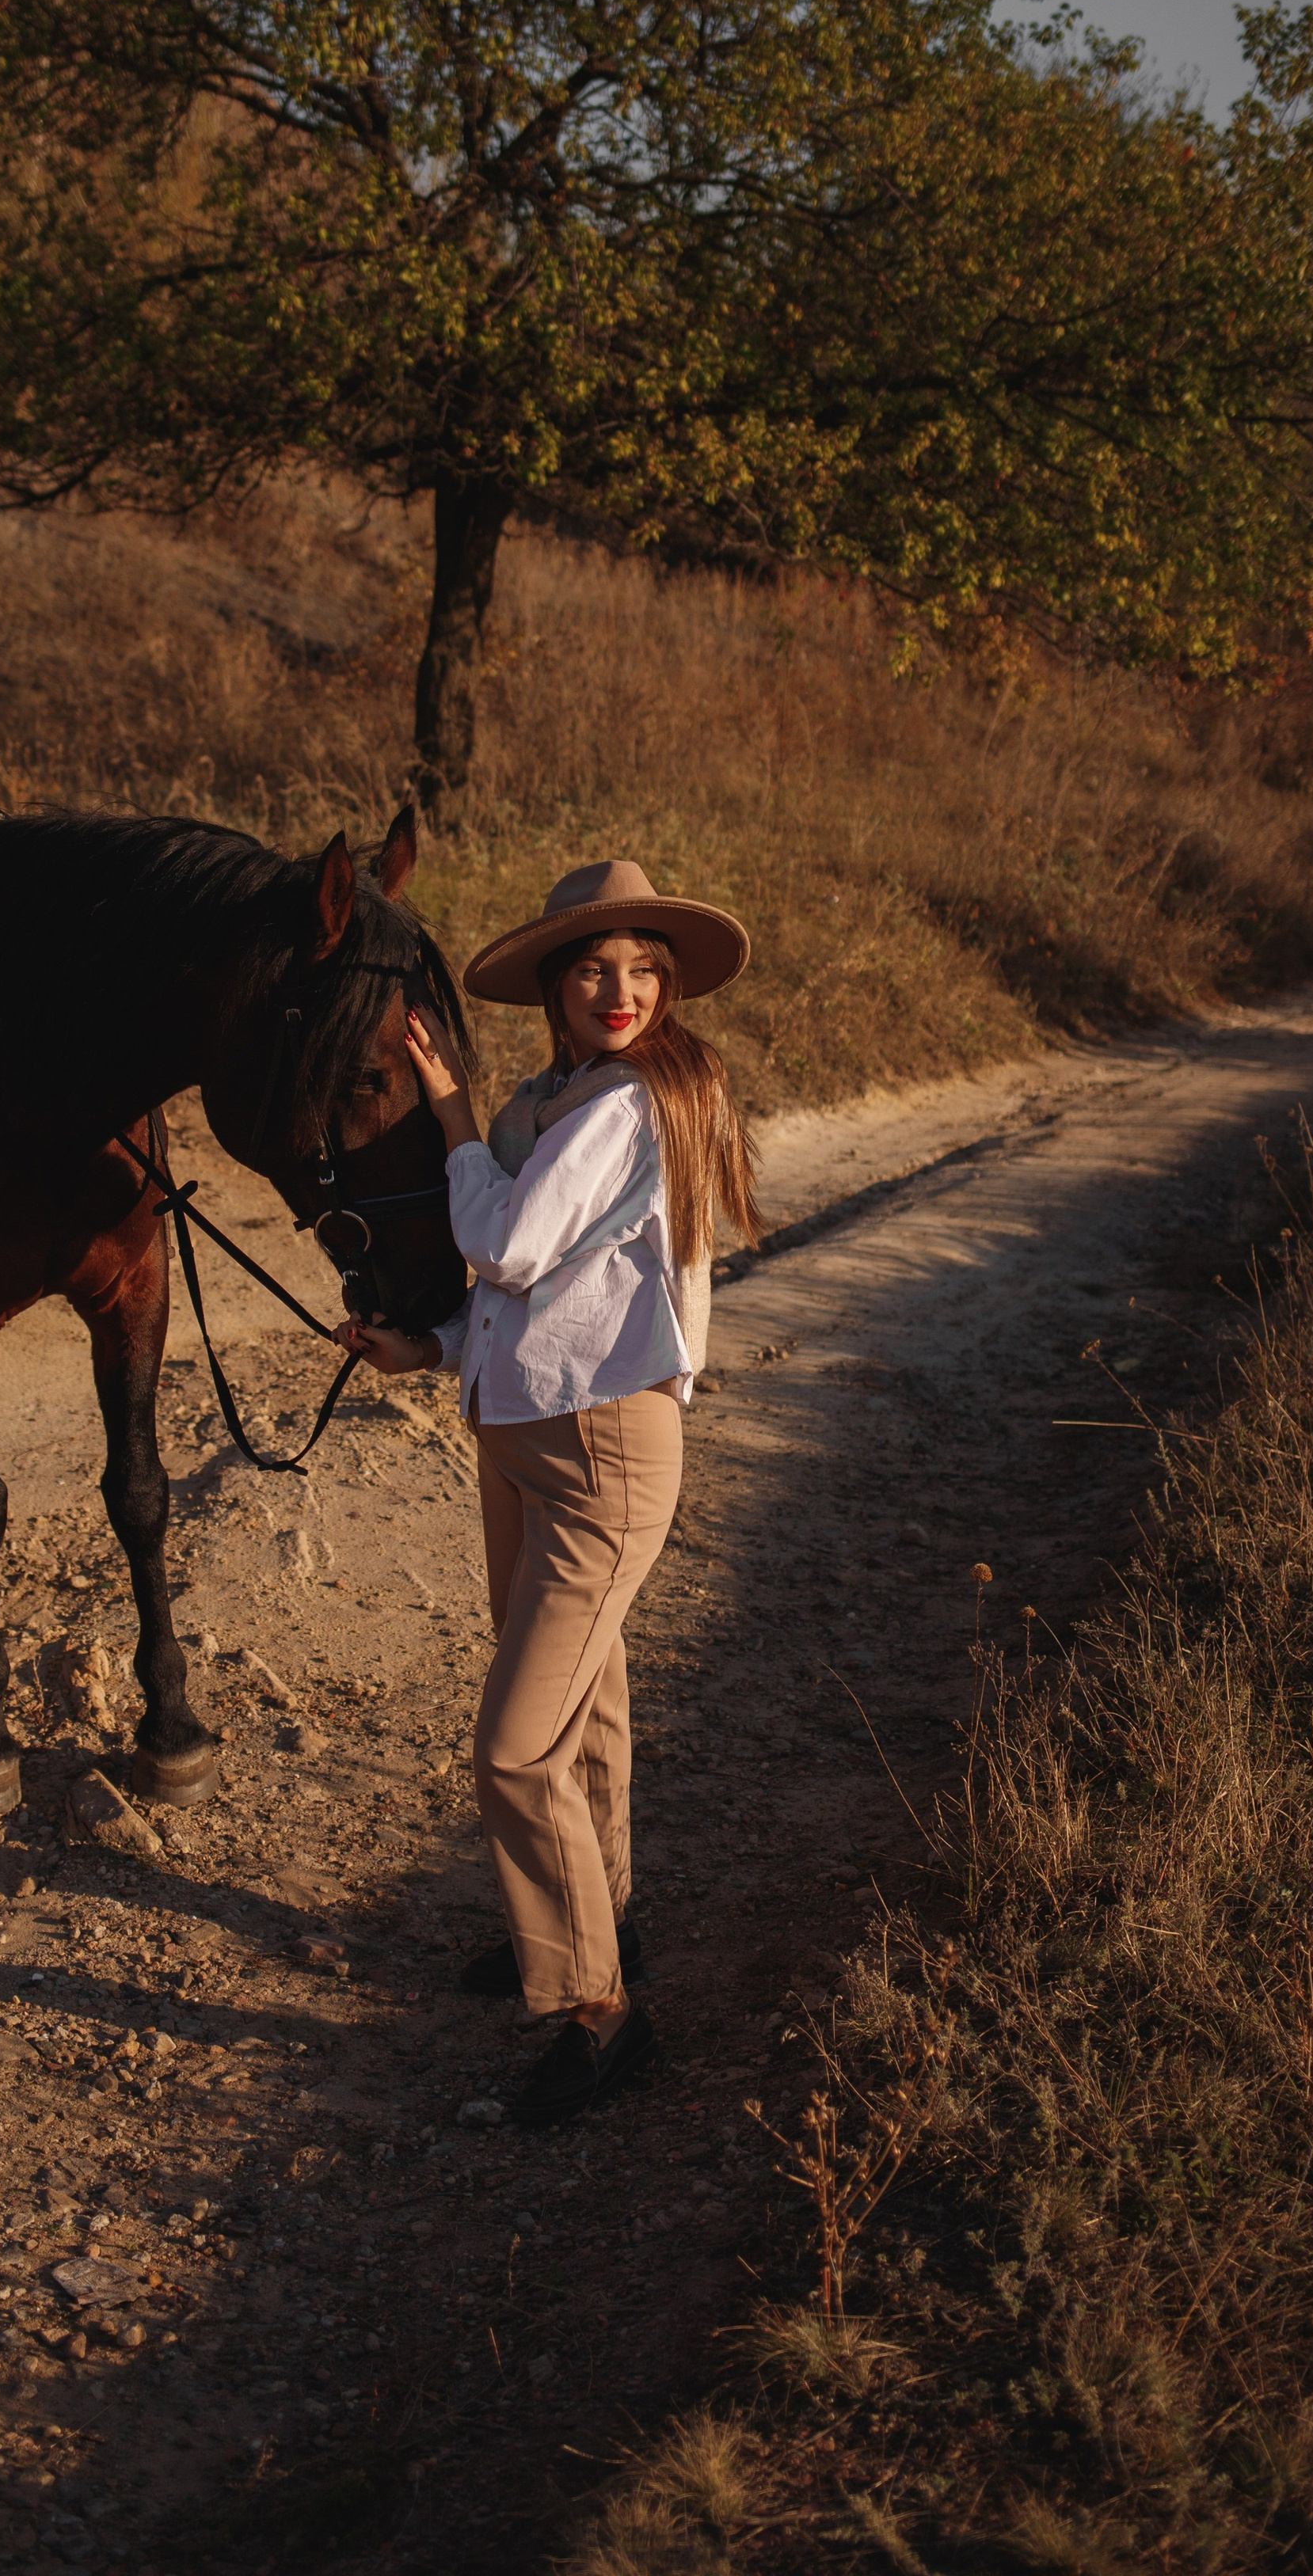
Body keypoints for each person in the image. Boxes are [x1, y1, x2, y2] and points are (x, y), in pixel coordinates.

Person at [337, 858, 760, 2126]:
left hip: (602, 1452)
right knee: (582, 1707)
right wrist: (437, 1350)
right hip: (524, 1430)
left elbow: (509, 1244)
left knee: (513, 1748)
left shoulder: (629, 1102)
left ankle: (599, 2013)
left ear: (667, 985)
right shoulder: (564, 1095)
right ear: (556, 989)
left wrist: (456, 1117)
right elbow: (554, 1297)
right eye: (593, 969)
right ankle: (589, 1922)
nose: (620, 989)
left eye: (642, 969)